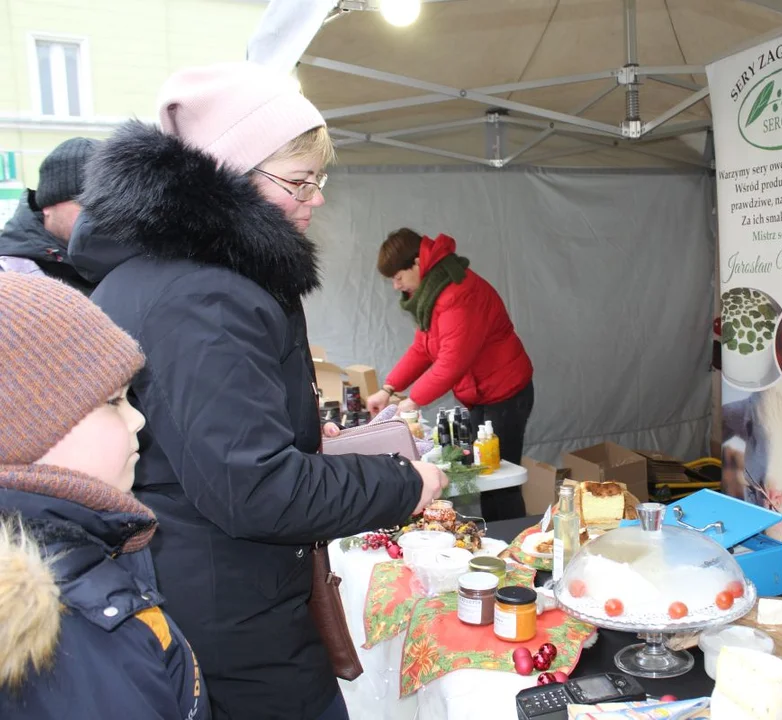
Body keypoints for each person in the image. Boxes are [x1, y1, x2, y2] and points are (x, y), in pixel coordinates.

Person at [68, 62, 448, 720]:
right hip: (231, 617)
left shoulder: (170, 276)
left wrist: (300, 440)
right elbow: (254, 489)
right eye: (300, 182)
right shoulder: (203, 295)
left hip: (198, 588)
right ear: (227, 184)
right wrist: (404, 483)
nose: (317, 199)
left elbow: (207, 449)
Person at [0, 273, 207, 719]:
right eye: (113, 401)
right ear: (22, 431)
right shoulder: (65, 630)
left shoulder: (84, 567)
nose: (137, 421)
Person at [370, 229, 534, 520]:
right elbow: (423, 348)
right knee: (480, 472)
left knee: (499, 480)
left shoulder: (459, 293)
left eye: (398, 277)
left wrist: (412, 401)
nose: (396, 286)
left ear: (418, 263)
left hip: (506, 393)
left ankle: (510, 543)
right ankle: (492, 537)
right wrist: (388, 388)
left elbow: (452, 363)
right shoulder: (431, 293)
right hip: (479, 394)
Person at [0, 138, 98, 293]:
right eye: (86, 204)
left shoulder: (126, 261)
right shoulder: (9, 272)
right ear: (48, 204)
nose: (101, 216)